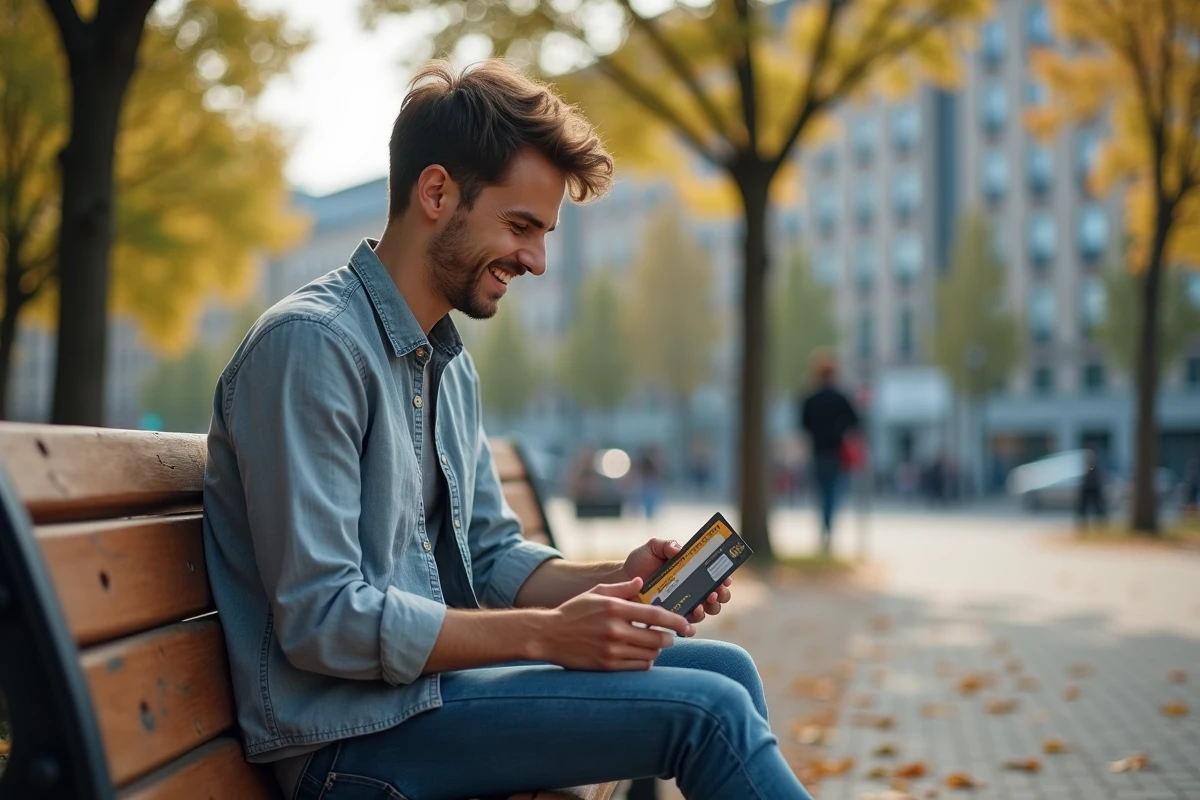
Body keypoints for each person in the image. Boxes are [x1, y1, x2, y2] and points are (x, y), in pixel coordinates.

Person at [202, 60, 811, 800]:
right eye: (521, 226)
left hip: (429, 700)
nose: (537, 260)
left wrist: (618, 584)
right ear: (436, 193)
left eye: (545, 233)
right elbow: (323, 620)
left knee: (728, 673)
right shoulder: (311, 347)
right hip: (347, 743)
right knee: (706, 713)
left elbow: (489, 554)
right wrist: (546, 634)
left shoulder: (446, 366)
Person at [799, 352, 860, 554]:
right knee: (833, 493)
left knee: (821, 493)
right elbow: (855, 421)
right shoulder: (840, 398)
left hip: (817, 452)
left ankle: (824, 530)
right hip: (836, 453)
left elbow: (803, 424)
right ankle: (828, 530)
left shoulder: (810, 398)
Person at [1076, 449, 1107, 530]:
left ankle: (1099, 525)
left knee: (1097, 508)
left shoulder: (1093, 468)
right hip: (1089, 489)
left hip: (1093, 489)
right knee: (1085, 509)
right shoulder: (1085, 468)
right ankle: (1086, 526)